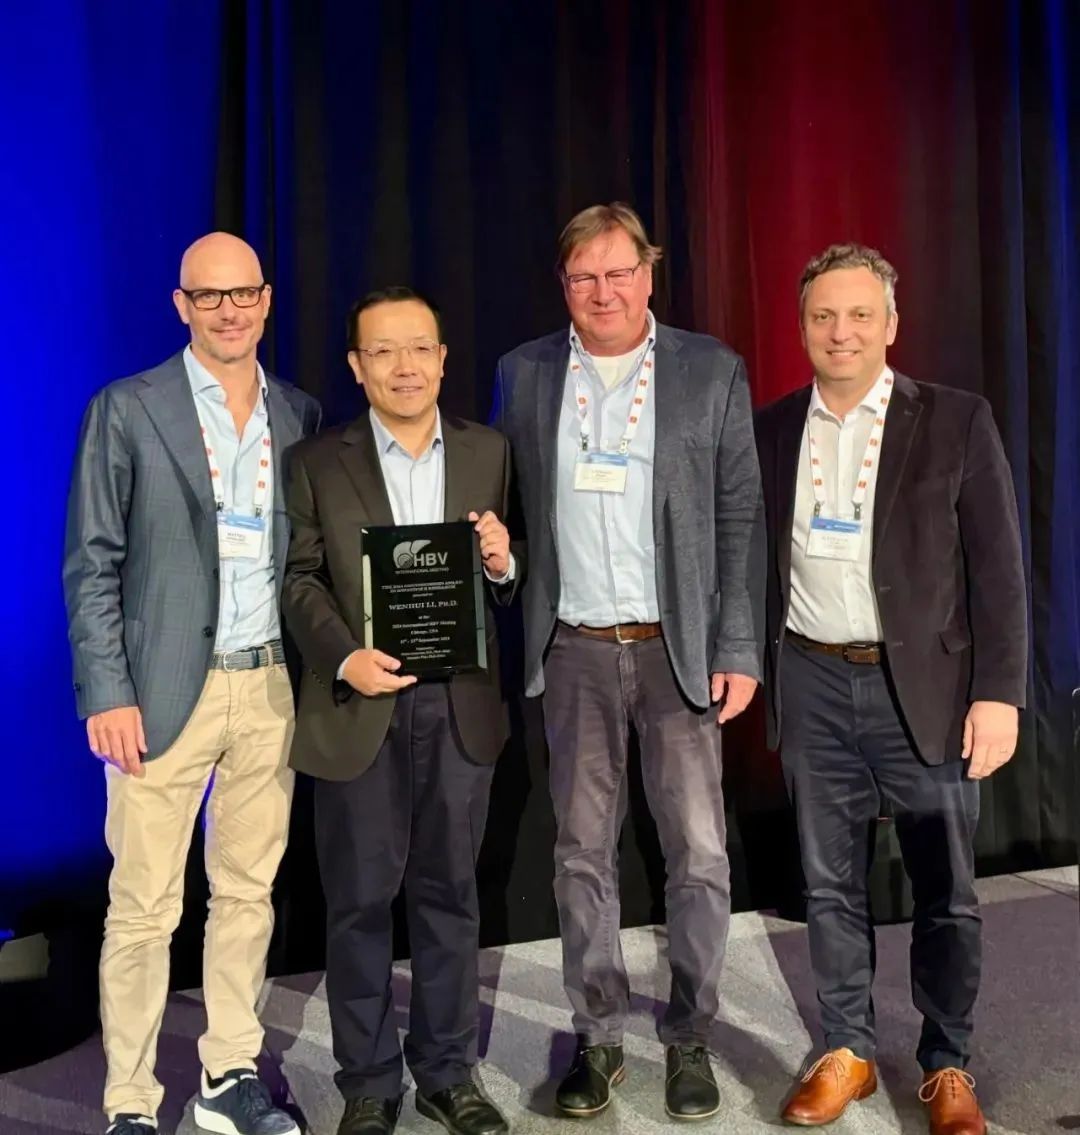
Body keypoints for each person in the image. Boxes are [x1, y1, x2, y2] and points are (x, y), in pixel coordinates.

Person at [492, 203, 763, 1121]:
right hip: (573, 647)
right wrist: (503, 563)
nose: (602, 292)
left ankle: (689, 1033)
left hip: (675, 648)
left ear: (649, 273)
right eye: (583, 276)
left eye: (618, 272)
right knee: (580, 852)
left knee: (699, 852)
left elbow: (739, 516)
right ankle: (599, 1033)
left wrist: (736, 645)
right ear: (563, 284)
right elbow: (511, 511)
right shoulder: (524, 373)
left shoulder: (710, 370)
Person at [754, 243, 1027, 1135]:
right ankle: (849, 1049)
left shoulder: (955, 419)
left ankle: (947, 1061)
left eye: (860, 314)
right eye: (824, 315)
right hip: (812, 679)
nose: (842, 331)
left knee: (945, 886)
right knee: (829, 882)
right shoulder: (773, 428)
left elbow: (998, 570)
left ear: (891, 324)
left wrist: (999, 691)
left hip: (928, 689)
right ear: (802, 326)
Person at [63, 233, 322, 1135]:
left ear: (266, 299)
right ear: (181, 305)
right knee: (143, 909)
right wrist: (106, 690)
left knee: (247, 895)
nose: (228, 310)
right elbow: (91, 561)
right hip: (161, 692)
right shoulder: (128, 407)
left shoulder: (298, 412)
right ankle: (129, 1103)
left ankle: (228, 1075)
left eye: (242, 293)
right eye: (208, 296)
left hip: (270, 688)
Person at [282, 287, 517, 1135]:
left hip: (460, 708)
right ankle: (370, 1082)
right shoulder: (316, 461)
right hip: (359, 707)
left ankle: (449, 1072)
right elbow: (299, 578)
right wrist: (344, 654)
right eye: (382, 351)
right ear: (357, 366)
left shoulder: (490, 450)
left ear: (444, 358)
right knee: (357, 903)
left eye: (419, 347)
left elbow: (513, 563)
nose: (404, 366)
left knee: (451, 897)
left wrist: (503, 562)